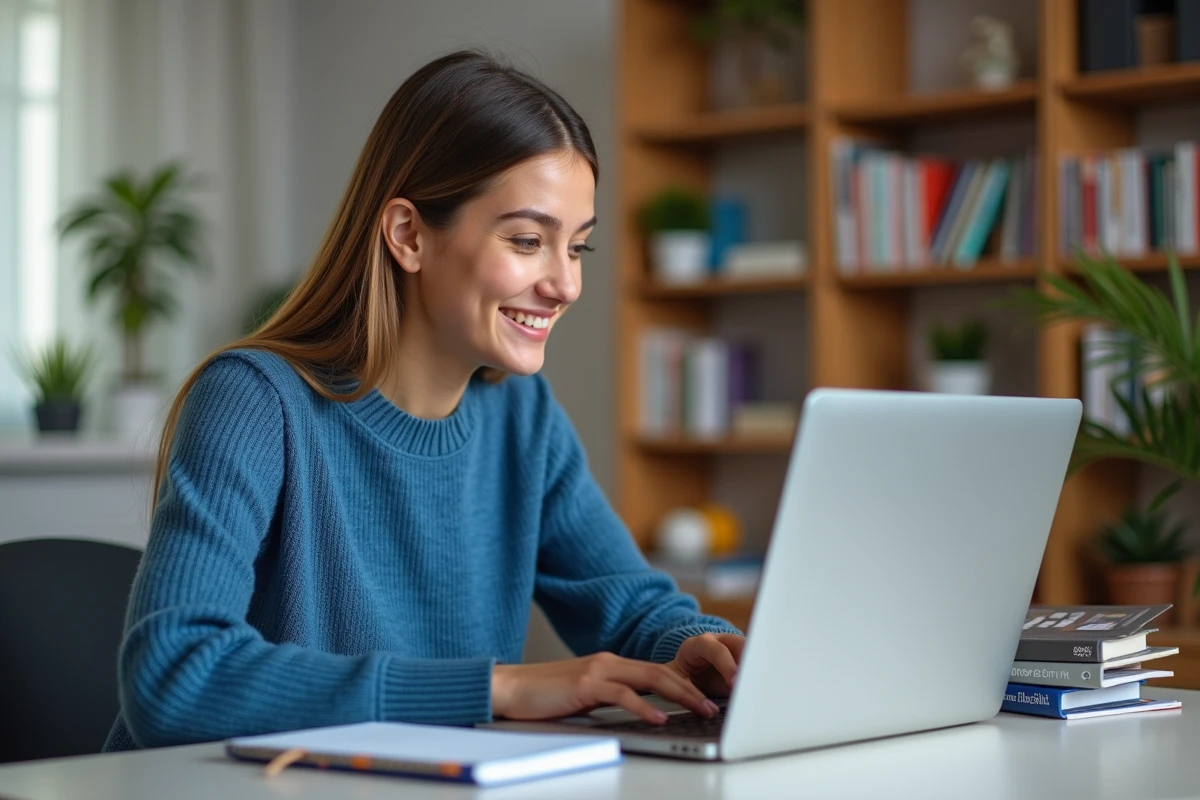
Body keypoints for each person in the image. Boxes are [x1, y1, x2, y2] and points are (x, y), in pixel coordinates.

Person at [103, 49, 744, 752]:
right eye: (528, 240)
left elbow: (630, 604)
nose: (565, 285)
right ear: (408, 235)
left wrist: (706, 649)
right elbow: (174, 675)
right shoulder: (254, 400)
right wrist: (496, 689)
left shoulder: (521, 416)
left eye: (577, 249)